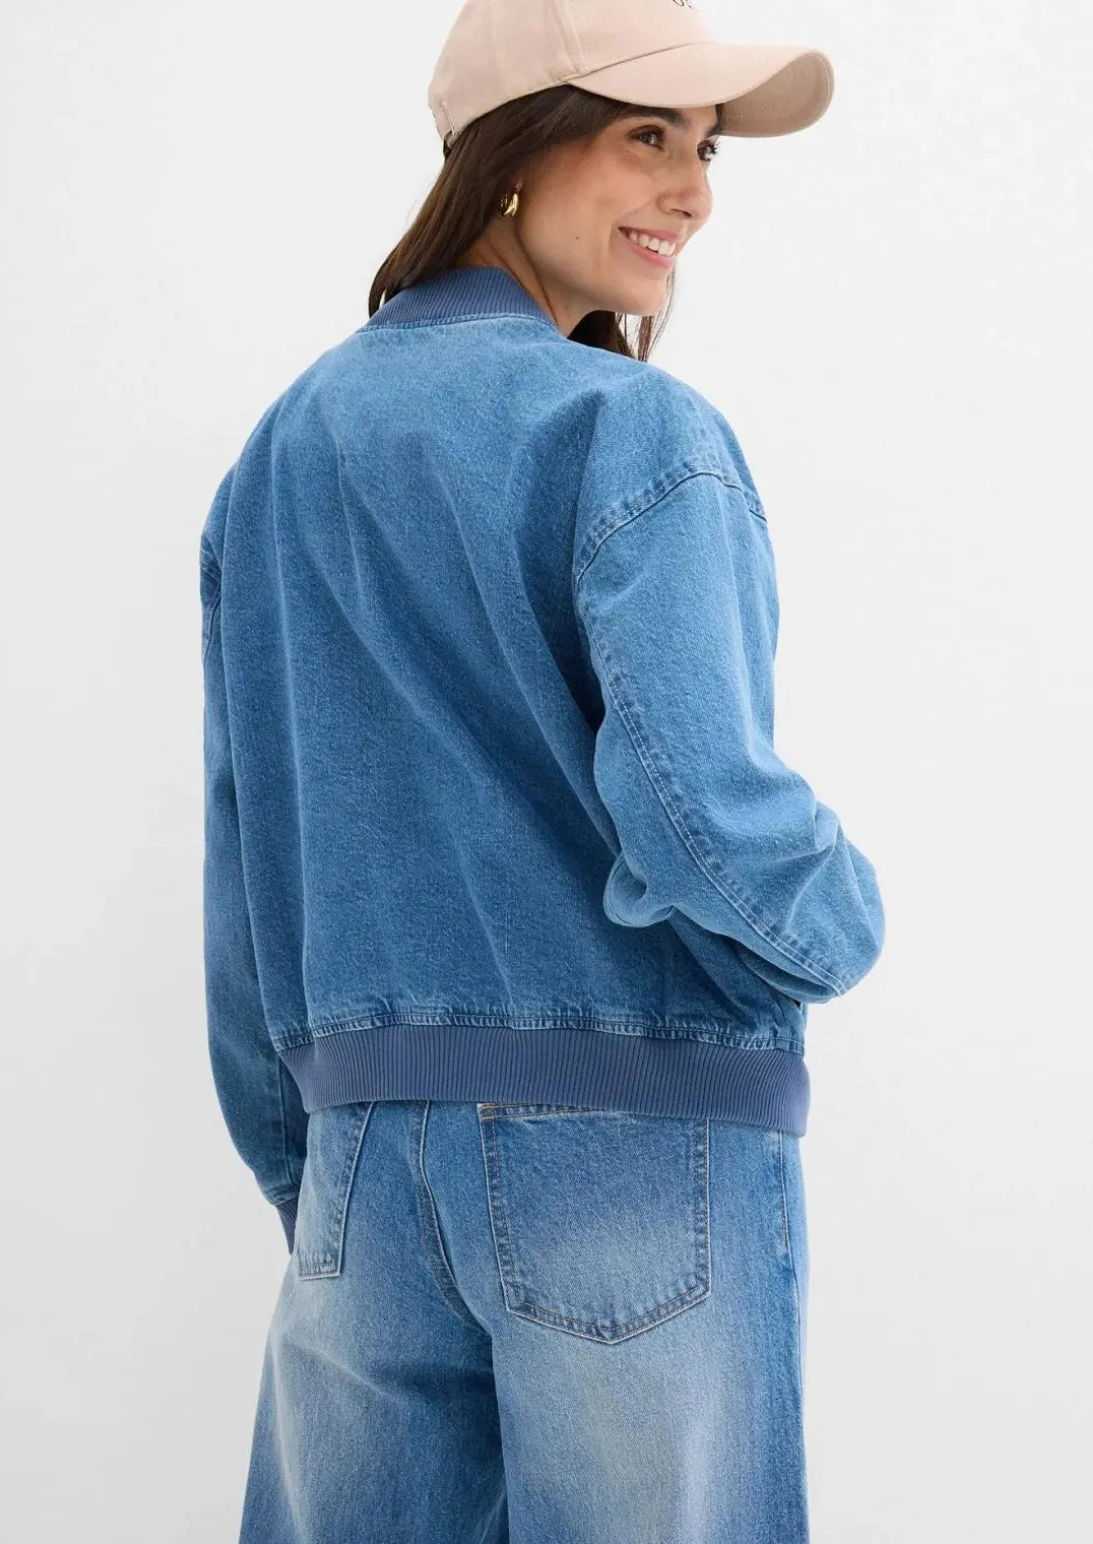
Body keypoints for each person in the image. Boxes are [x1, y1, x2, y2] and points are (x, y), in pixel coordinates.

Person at [199, 1, 885, 1538]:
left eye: (704, 151)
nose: (691, 192)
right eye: (647, 136)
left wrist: (315, 1159)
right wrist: (846, 926)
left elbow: (249, 858)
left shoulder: (281, 453)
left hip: (362, 1169)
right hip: (632, 1157)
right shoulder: (629, 430)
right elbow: (705, 820)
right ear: (510, 151)